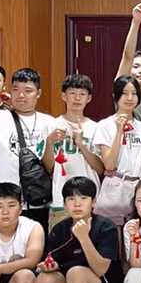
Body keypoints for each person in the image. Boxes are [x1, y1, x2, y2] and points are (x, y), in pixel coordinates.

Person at [0, 69, 57, 233]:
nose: (21, 95)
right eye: (16, 89)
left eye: (28, 91)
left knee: (38, 245)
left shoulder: (49, 123)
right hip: (5, 201)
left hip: (40, 201)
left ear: (38, 93)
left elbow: (53, 166)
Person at [43, 75, 105, 230]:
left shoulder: (96, 128)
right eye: (72, 93)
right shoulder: (52, 125)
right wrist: (49, 143)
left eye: (82, 94)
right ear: (64, 96)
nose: (77, 98)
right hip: (60, 200)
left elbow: (100, 168)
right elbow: (49, 168)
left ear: (89, 98)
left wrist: (81, 145)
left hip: (90, 201)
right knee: (60, 244)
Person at [94, 76, 141, 224]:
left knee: (137, 231)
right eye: (125, 93)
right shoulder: (104, 125)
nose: (130, 98)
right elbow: (109, 165)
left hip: (139, 187)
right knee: (112, 232)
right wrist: (119, 131)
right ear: (116, 96)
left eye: (134, 93)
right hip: (116, 186)